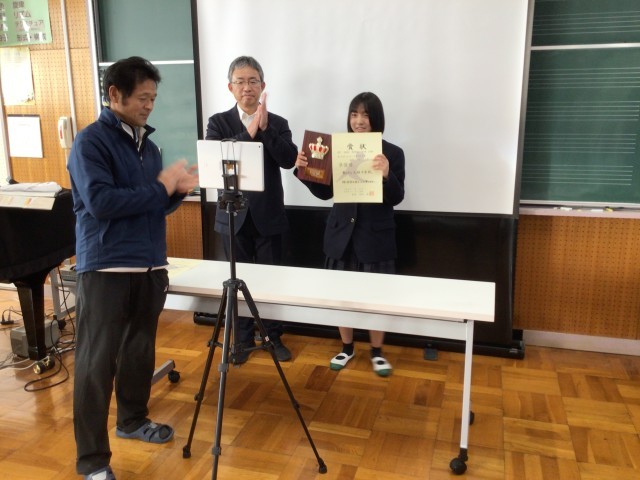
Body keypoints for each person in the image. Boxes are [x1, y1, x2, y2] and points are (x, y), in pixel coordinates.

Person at [67, 56, 198, 480]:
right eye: (143, 97)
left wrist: (175, 193)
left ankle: (132, 420)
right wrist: (160, 188)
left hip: (149, 265)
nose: (149, 106)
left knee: (139, 352)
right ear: (115, 94)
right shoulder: (91, 142)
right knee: (95, 365)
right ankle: (92, 462)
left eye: (153, 98)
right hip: (106, 267)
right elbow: (101, 203)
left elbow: (150, 204)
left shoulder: (150, 147)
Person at [295, 92, 405, 377]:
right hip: (341, 235)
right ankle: (347, 347)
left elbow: (397, 197)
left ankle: (377, 352)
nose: (359, 121)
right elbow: (325, 193)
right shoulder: (337, 149)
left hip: (375, 237)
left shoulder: (393, 153)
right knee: (341, 296)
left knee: (377, 298)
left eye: (365, 115)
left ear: (376, 119)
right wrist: (304, 171)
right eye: (354, 114)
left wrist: (387, 174)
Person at [205, 56, 297, 364]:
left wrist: (266, 129)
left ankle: (272, 337)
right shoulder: (218, 122)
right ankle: (242, 340)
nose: (247, 87)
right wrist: (251, 131)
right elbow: (219, 159)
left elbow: (288, 159)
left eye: (253, 81)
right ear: (230, 87)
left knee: (272, 281)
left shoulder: (278, 123)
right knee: (237, 281)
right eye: (241, 82)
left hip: (269, 214)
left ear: (263, 86)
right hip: (232, 217)